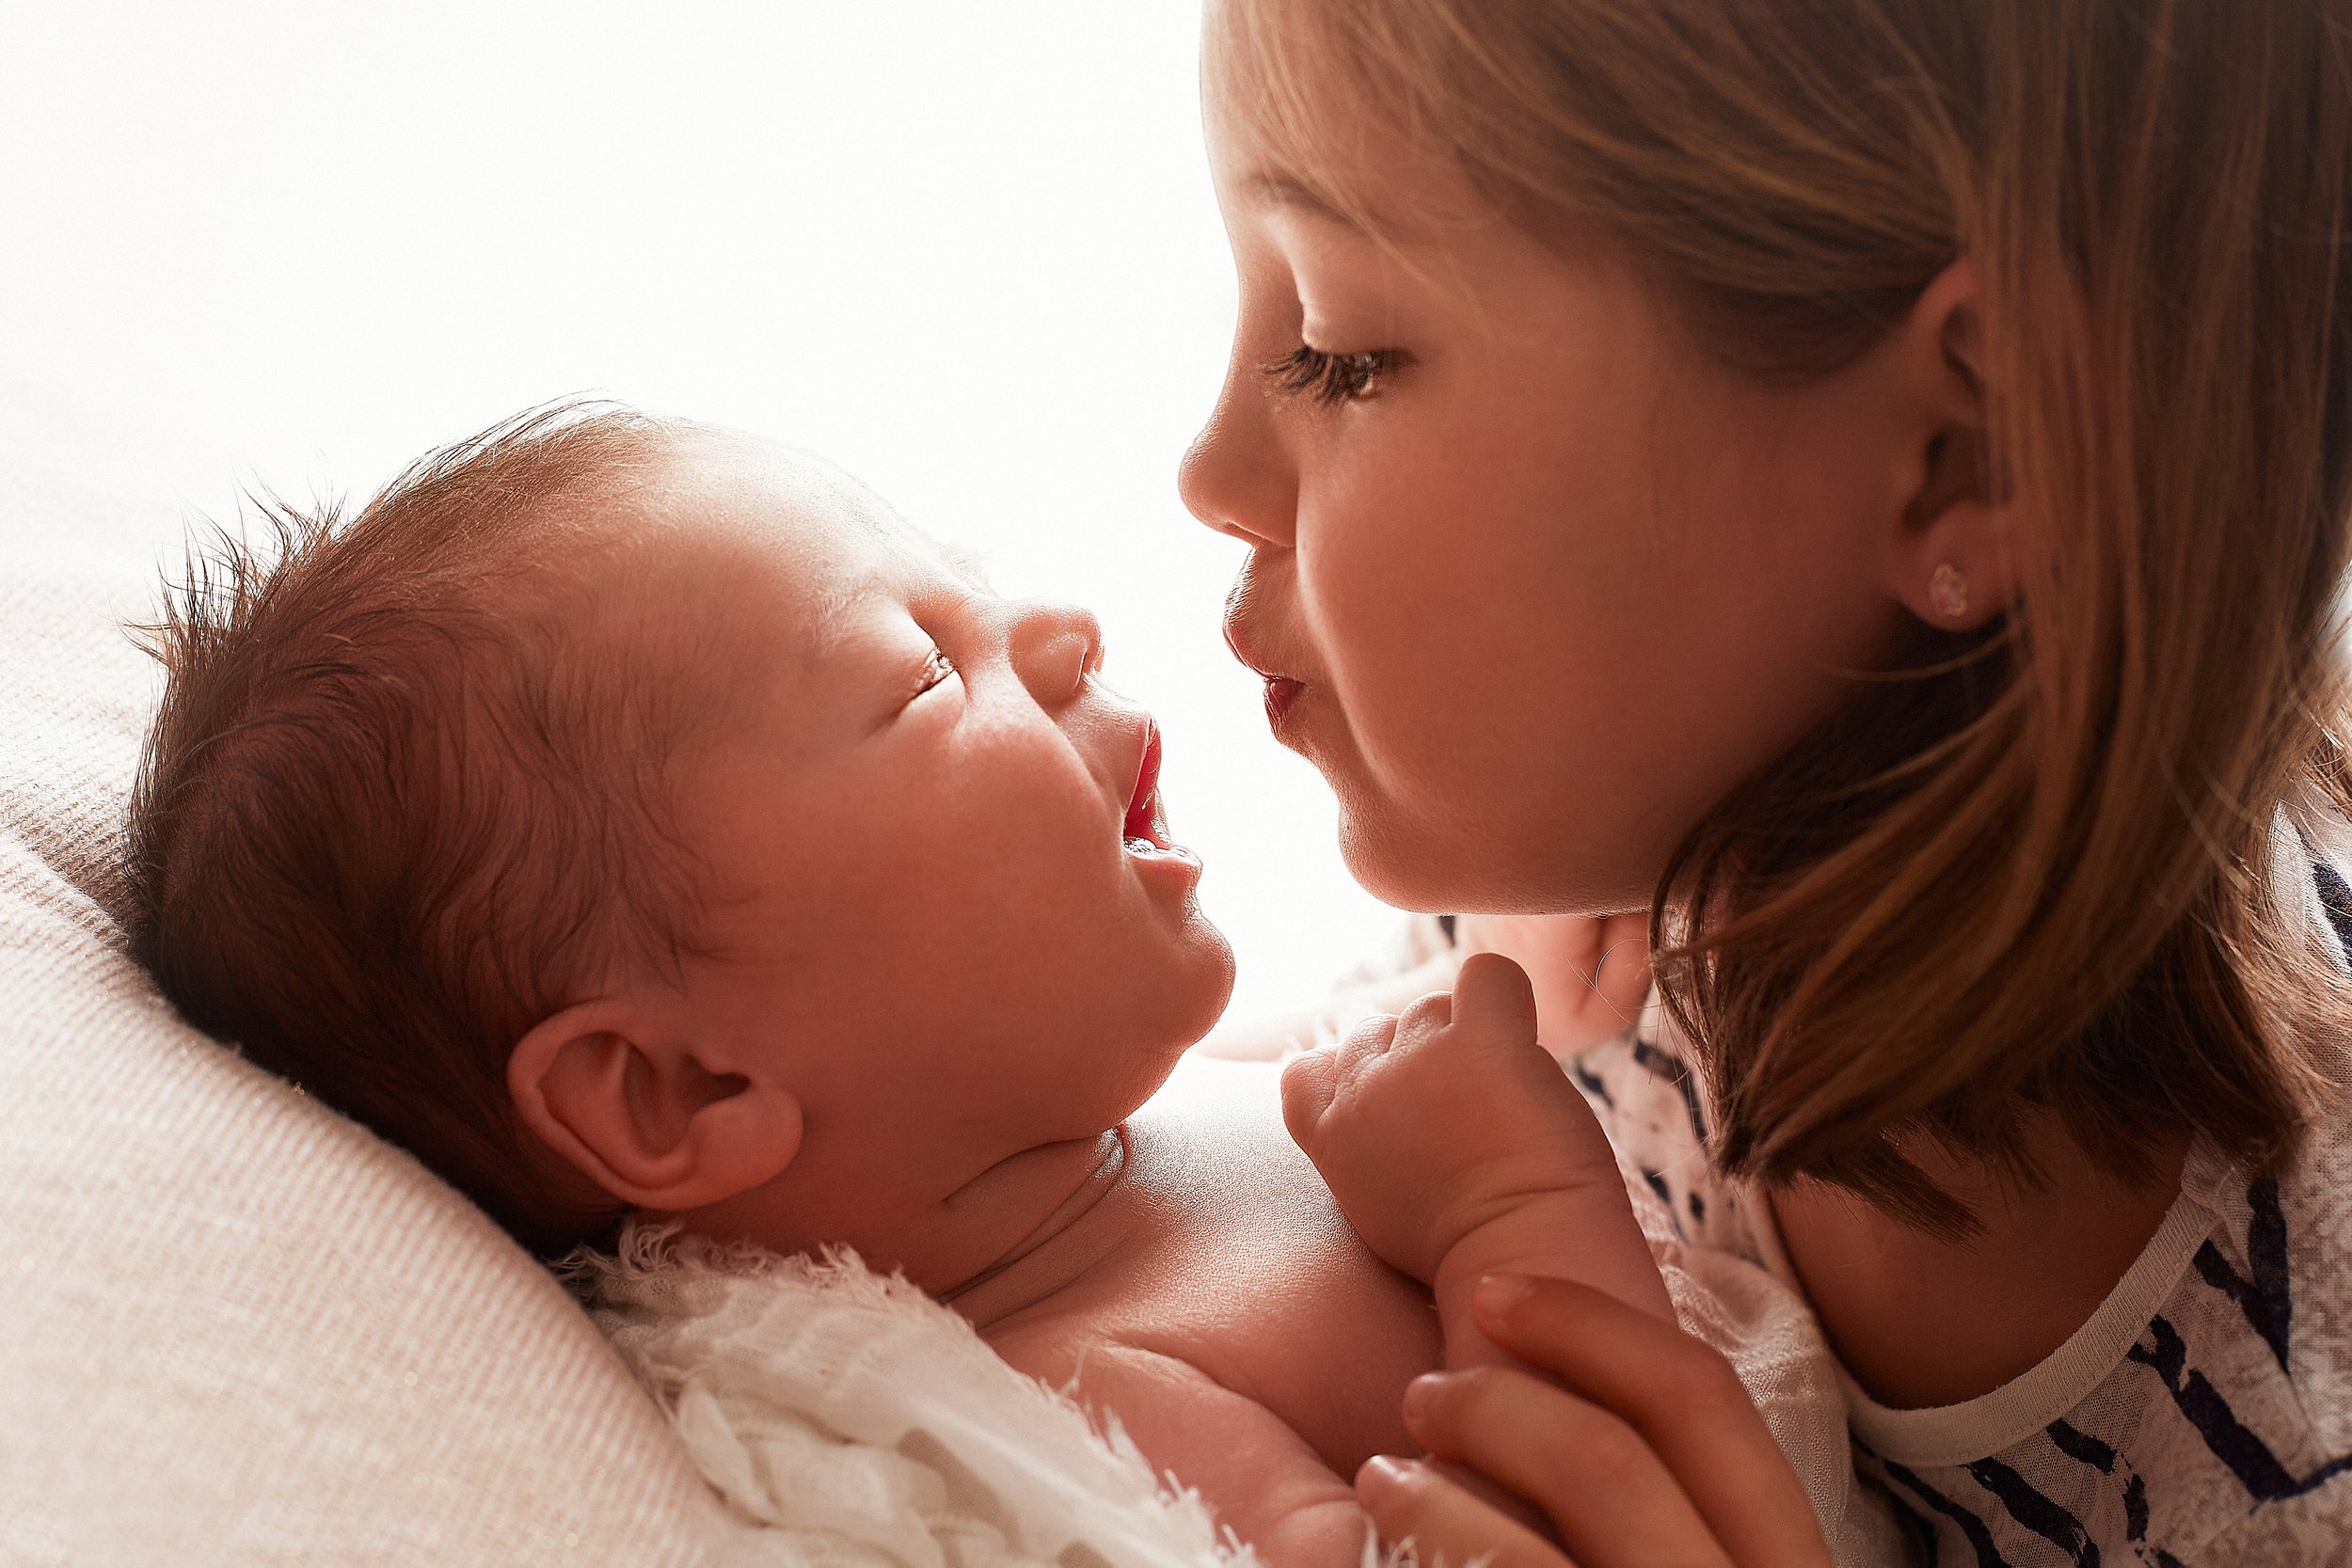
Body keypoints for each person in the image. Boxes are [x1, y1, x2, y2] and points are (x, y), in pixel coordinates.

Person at [121, 408, 1756, 1568]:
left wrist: (1536, 979)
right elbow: (1551, 1537)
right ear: (677, 1091)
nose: (1058, 630)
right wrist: (1510, 1207)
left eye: (969, 584)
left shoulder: (1119, 1125)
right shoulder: (1096, 1386)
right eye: (919, 675)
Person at [1179, 0, 2352, 1562]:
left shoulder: (2289, 1470)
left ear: (1969, 461)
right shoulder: (1631, 889)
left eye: (1340, 352)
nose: (1204, 474)